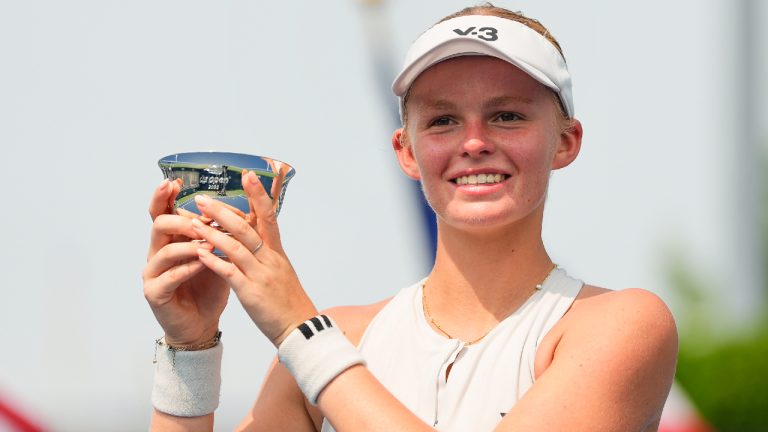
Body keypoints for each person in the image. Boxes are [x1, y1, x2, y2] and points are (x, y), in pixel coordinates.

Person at [142, 4, 678, 431]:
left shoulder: (620, 325)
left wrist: (297, 328)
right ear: (406, 150)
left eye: (507, 115)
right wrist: (190, 349)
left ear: (565, 141)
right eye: (443, 120)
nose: (474, 142)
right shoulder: (339, 336)